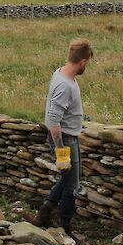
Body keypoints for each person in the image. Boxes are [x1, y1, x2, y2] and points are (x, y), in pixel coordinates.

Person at [35, 39, 94, 231]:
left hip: (68, 137)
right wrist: (61, 153)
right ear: (82, 62)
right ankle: (65, 226)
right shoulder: (65, 86)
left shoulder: (59, 73)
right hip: (66, 140)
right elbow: (53, 121)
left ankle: (44, 213)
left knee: (68, 179)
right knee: (72, 186)